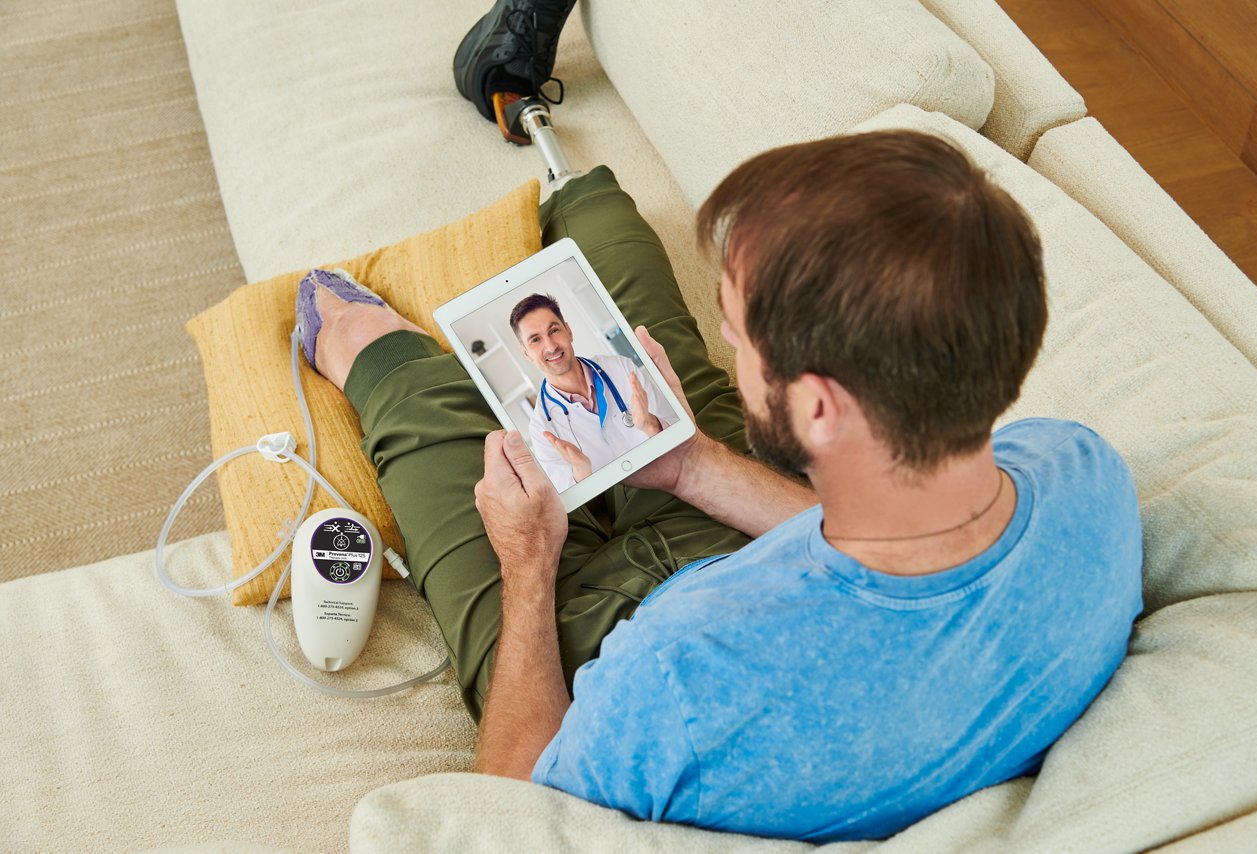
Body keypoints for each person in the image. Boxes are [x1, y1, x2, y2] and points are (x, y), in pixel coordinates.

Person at [292, 1, 1143, 841]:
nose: (726, 334)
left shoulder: (679, 677)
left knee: (358, 336)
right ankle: (575, 196)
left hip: (594, 640)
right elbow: (908, 552)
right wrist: (693, 463)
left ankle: (391, 347)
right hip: (749, 546)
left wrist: (527, 563)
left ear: (817, 406)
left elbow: (519, 803)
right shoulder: (1081, 473)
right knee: (623, 297)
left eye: (739, 330)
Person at [509, 292, 680, 490]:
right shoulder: (541, 428)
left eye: (554, 330)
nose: (550, 346)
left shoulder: (622, 369)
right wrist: (581, 472)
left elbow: (679, 429)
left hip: (667, 470)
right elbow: (568, 499)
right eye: (535, 340)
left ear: (569, 331)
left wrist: (651, 424)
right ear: (527, 354)